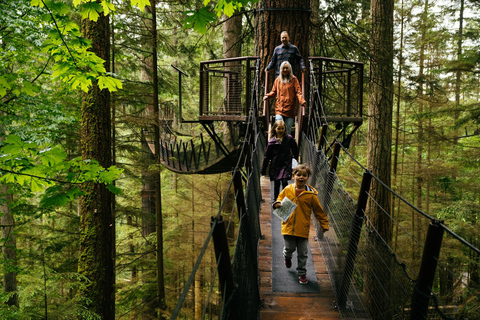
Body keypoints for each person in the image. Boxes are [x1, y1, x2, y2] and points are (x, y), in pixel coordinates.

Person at [272, 164, 329, 285]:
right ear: (293, 176)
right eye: (298, 175)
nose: (301, 177)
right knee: (289, 248)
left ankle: (302, 273)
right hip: (288, 226)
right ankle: (287, 256)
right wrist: (277, 203)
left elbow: (319, 211)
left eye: (304, 175)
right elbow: (280, 198)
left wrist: (324, 225)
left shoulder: (311, 195)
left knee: (303, 253)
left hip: (303, 229)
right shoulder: (288, 189)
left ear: (308, 177)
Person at [263, 61, 306, 135]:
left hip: (290, 109)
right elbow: (274, 91)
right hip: (279, 108)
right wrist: (268, 95)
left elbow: (298, 92)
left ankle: (286, 145)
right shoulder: (277, 80)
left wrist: (302, 101)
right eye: (283, 68)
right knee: (279, 124)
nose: (285, 70)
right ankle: (278, 143)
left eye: (287, 68)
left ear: (290, 69)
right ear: (281, 69)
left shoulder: (294, 80)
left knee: (288, 128)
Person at [261, 120, 299, 202]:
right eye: (279, 128)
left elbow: (295, 150)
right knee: (277, 181)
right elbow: (267, 156)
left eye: (282, 128)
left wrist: (295, 160)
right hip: (276, 164)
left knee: (285, 180)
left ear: (285, 128)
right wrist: (264, 169)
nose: (281, 130)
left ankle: (285, 198)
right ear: (275, 129)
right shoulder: (271, 142)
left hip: (286, 163)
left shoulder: (289, 138)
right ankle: (276, 199)